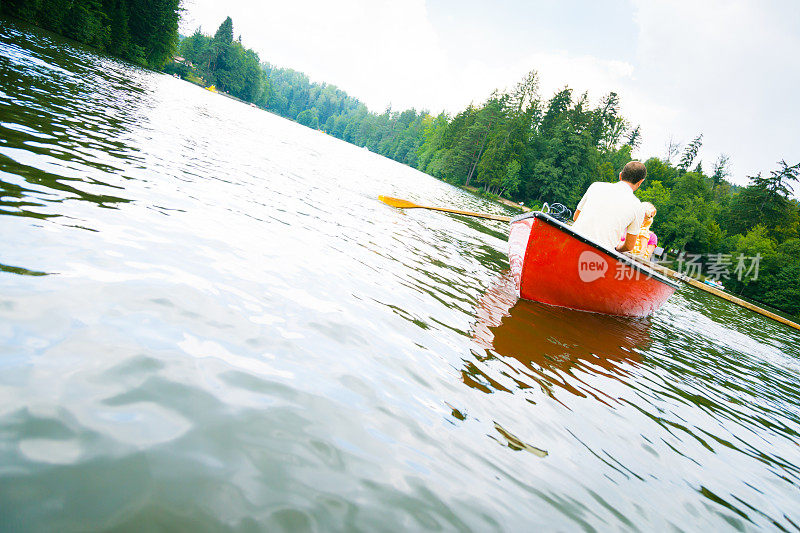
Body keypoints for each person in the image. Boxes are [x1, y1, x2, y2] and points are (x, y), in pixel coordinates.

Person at [572, 161, 647, 252]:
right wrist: (617, 247)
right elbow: (629, 246)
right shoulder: (638, 207)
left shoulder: (595, 186)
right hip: (598, 254)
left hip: (572, 241)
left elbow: (576, 217)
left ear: (620, 175)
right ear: (640, 182)